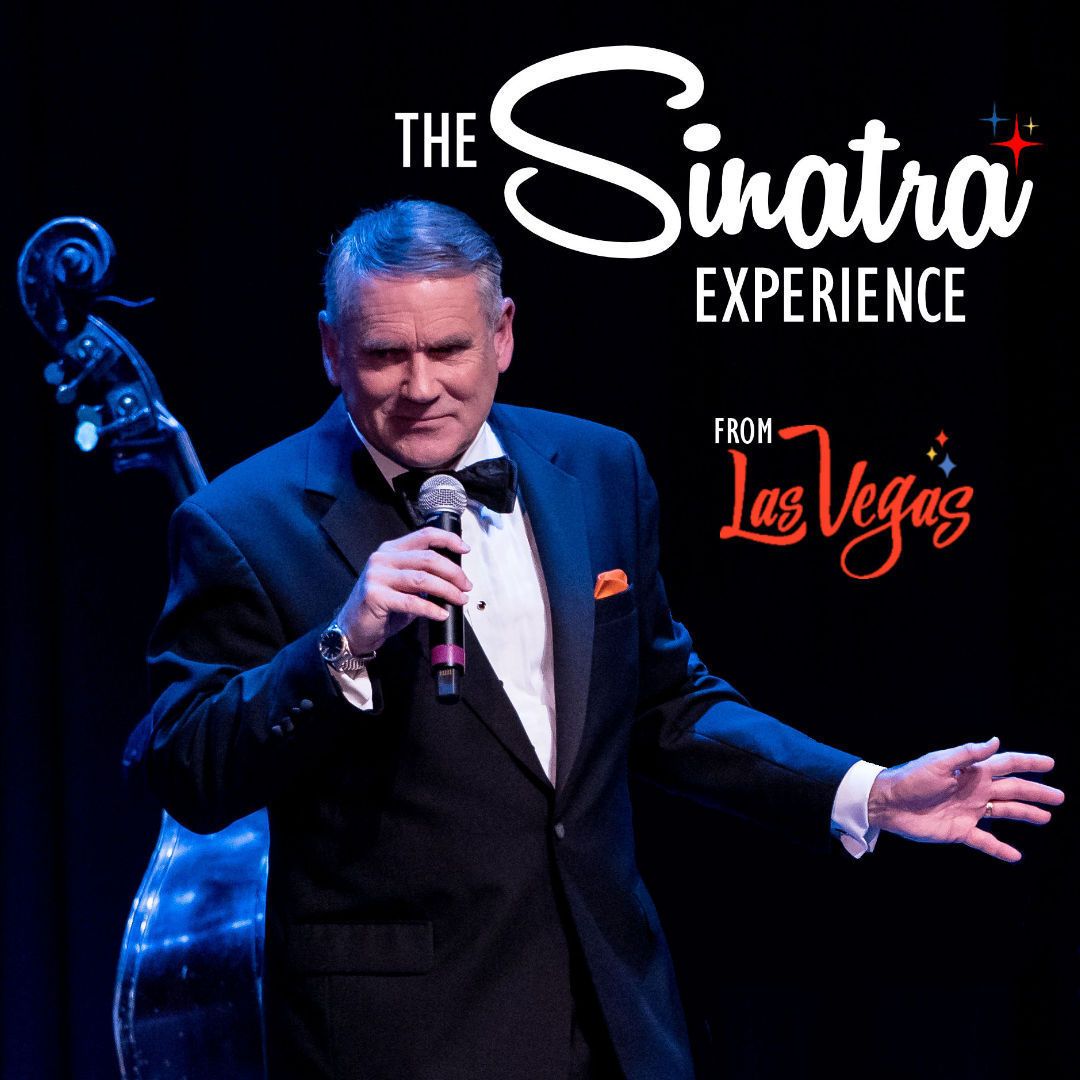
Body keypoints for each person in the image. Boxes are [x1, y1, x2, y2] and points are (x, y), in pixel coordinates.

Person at [145, 199, 1063, 1080]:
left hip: (618, 1018)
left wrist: (866, 790)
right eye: (386, 354)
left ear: (503, 333)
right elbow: (186, 767)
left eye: (450, 348)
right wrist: (342, 645)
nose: (421, 387)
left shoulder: (598, 466)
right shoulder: (239, 521)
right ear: (330, 347)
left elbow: (668, 705)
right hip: (403, 1040)